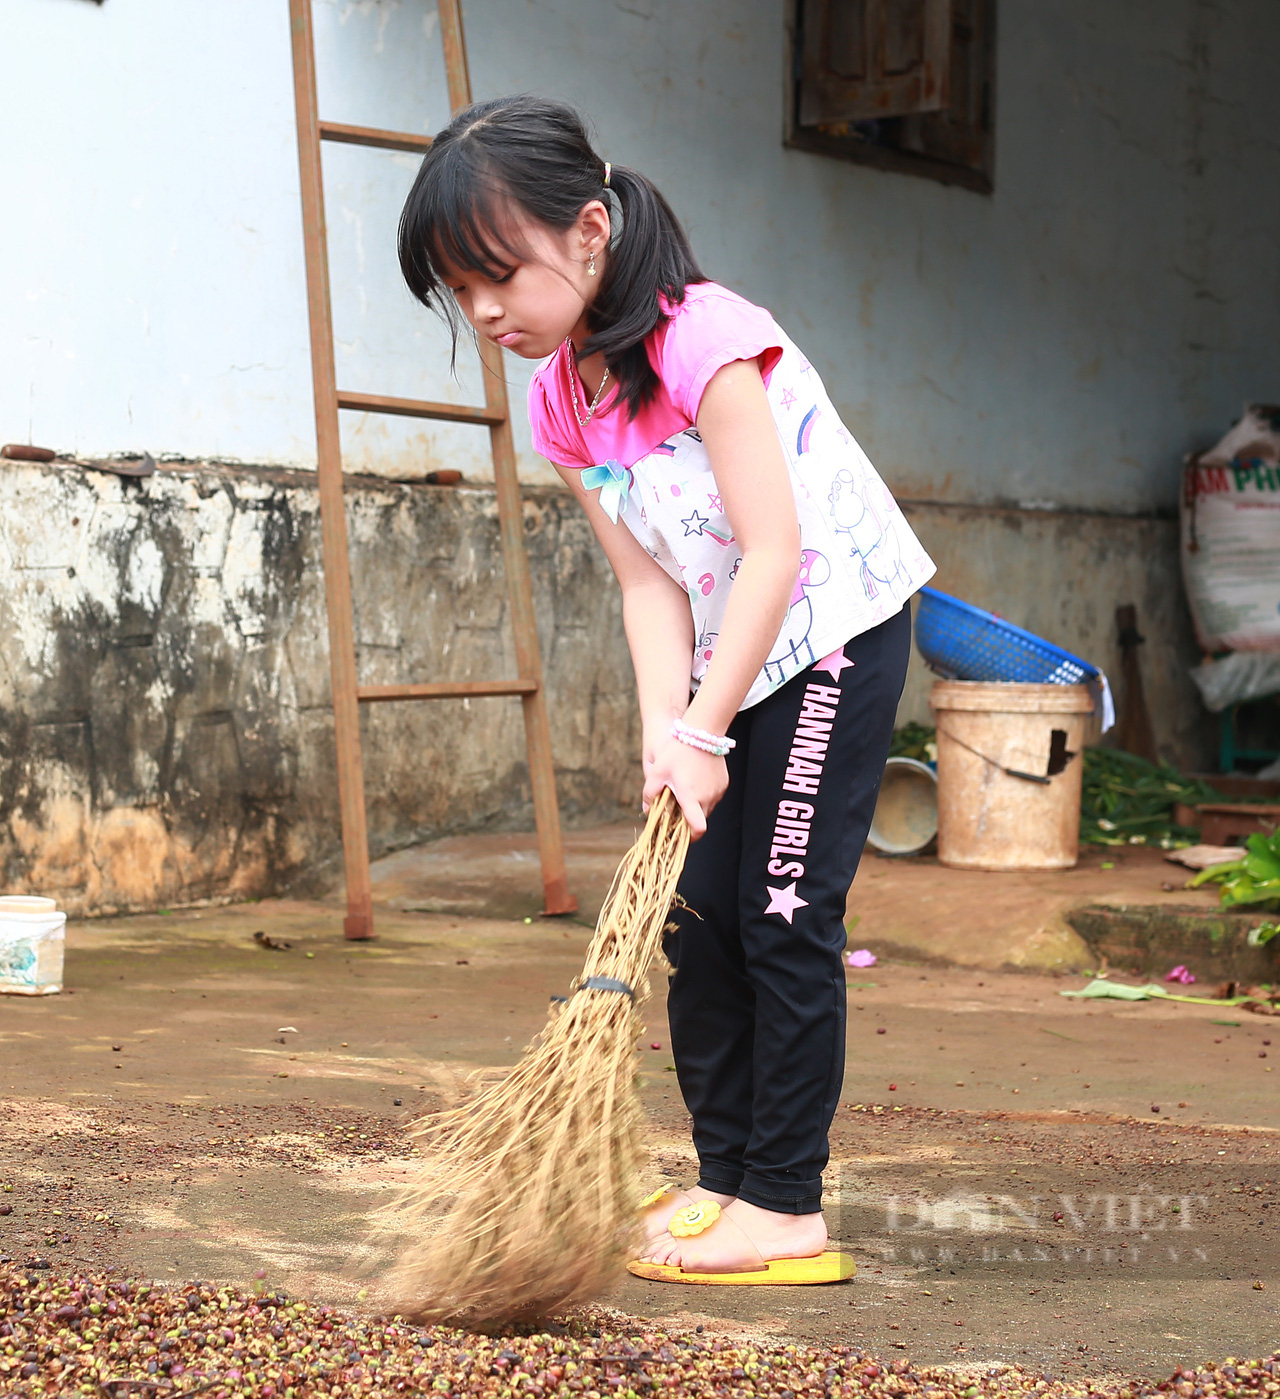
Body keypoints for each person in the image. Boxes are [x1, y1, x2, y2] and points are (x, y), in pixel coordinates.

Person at [397, 94, 936, 1282]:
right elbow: (647, 586)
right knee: (695, 918)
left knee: (781, 912)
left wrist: (708, 721)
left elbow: (774, 551)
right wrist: (665, 730)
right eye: (458, 288)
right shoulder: (559, 401)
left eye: (498, 275)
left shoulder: (706, 340)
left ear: (587, 230)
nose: (484, 312)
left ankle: (786, 1208)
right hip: (725, 655)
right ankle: (724, 1180)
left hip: (830, 633)